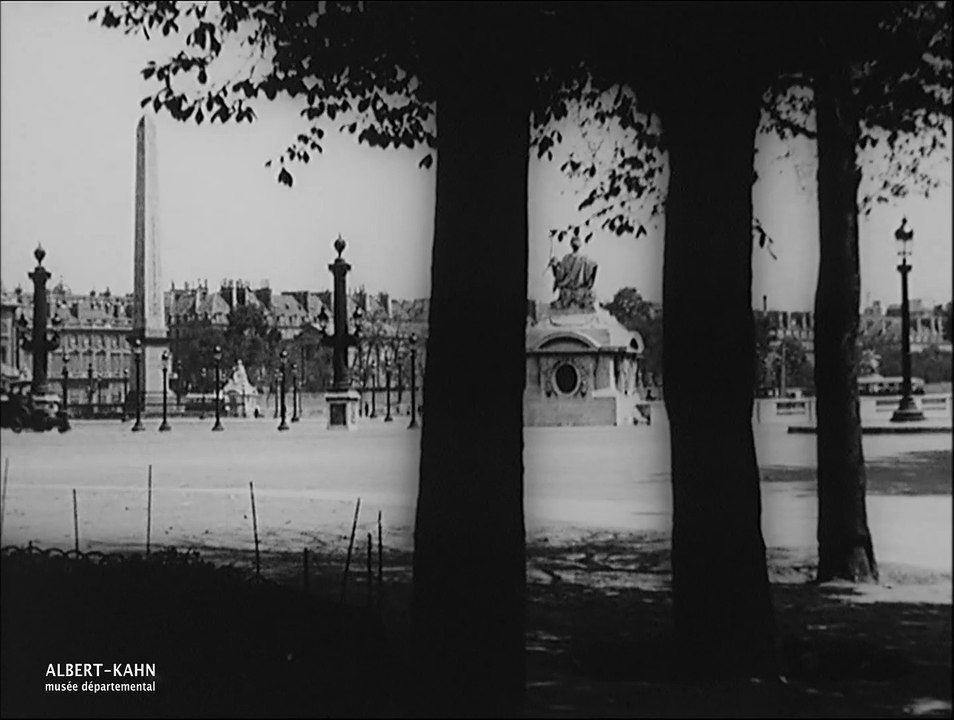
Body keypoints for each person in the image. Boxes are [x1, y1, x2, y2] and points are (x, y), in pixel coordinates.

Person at [549, 232, 597, 311]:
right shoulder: (585, 259)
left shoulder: (566, 259)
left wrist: (554, 267)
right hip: (581, 292)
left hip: (567, 293)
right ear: (580, 246)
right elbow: (592, 271)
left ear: (571, 245)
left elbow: (560, 277)